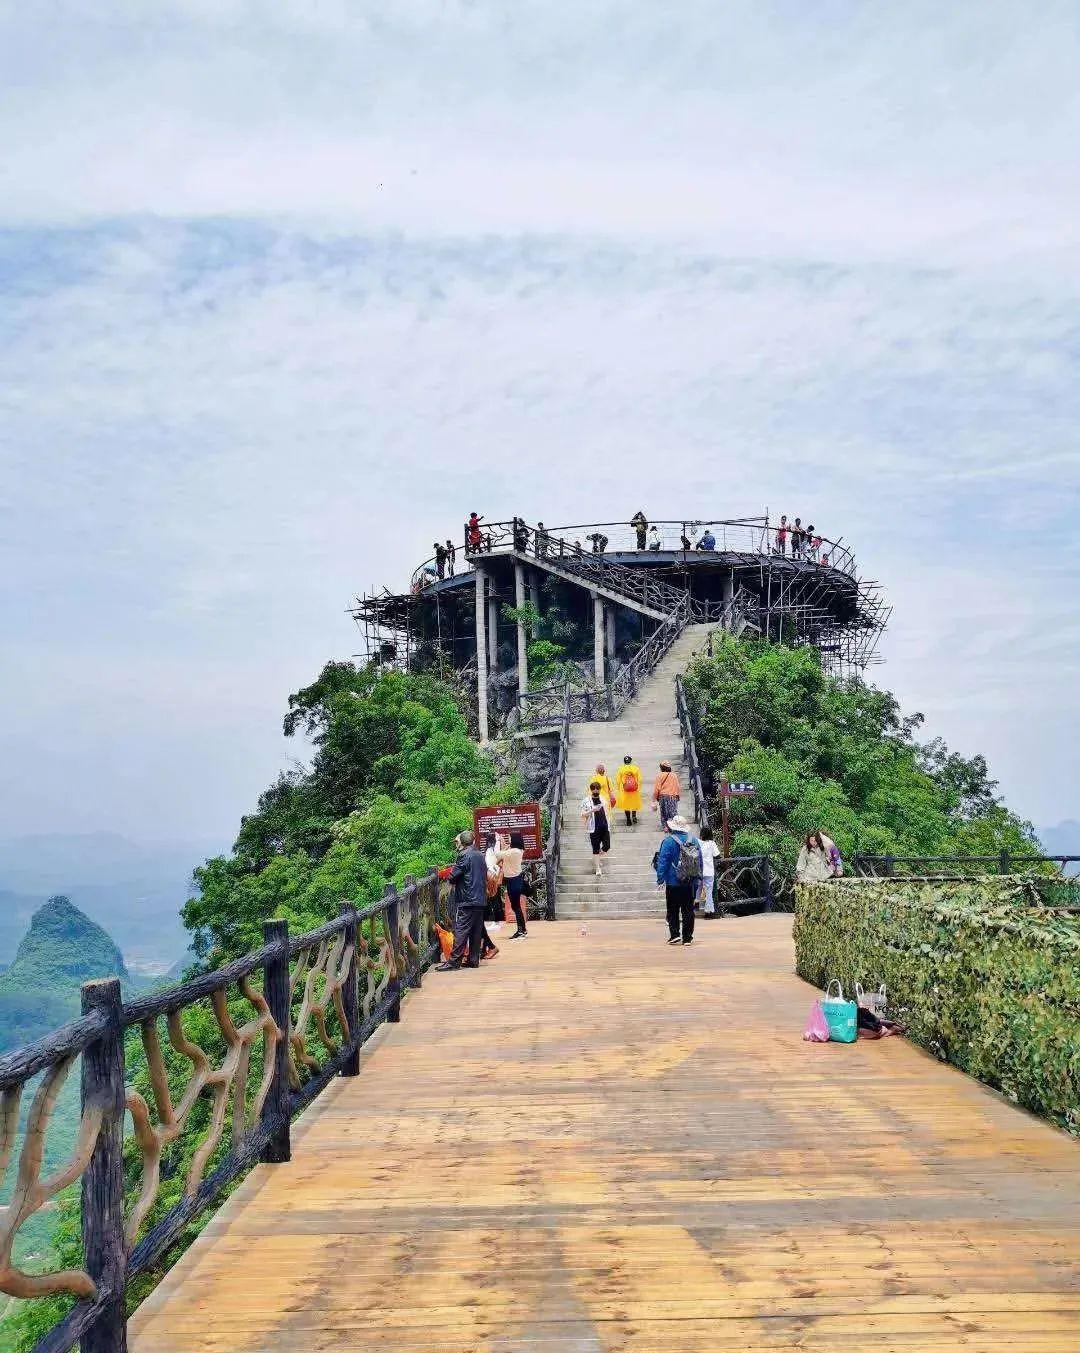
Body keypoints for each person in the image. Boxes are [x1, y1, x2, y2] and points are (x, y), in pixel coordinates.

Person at [437, 831, 488, 969]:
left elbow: (453, 877)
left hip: (467, 898)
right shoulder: (479, 854)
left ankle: (454, 962)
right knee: (476, 931)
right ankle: (473, 960)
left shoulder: (464, 855)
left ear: (462, 843)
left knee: (461, 929)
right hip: (480, 897)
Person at [655, 815, 700, 945]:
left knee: (673, 909)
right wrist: (697, 879)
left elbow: (663, 861)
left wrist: (660, 878)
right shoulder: (694, 840)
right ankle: (687, 938)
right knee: (688, 910)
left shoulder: (668, 842)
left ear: (672, 827)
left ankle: (675, 934)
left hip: (673, 881)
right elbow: (699, 861)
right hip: (690, 881)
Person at [496, 831, 528, 938]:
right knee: (516, 906)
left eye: (510, 838)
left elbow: (497, 854)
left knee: (516, 906)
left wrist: (498, 841)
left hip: (513, 881)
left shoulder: (514, 851)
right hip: (514, 880)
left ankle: (520, 930)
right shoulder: (517, 850)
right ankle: (522, 929)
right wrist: (505, 846)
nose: (508, 839)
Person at [580, 780, 611, 876]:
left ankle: (596, 857)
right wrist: (592, 810)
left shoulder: (603, 799)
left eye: (597, 789)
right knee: (595, 848)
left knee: (607, 846)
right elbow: (582, 814)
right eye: (594, 789)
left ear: (600, 790)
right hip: (593, 828)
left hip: (605, 826)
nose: (596, 791)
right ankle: (598, 868)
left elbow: (607, 811)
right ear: (591, 790)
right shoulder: (586, 801)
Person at [697, 825, 720, 914]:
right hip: (709, 871)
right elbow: (717, 855)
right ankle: (709, 910)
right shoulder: (711, 843)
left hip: (699, 870)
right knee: (709, 891)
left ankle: (695, 905)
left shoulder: (697, 842)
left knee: (697, 889)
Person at [615, 754, 643, 826]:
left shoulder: (620, 769)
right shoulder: (636, 769)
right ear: (631, 761)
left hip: (625, 790)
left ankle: (628, 820)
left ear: (624, 762)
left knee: (626, 805)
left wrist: (618, 788)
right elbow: (640, 779)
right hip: (634, 790)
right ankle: (634, 816)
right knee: (634, 804)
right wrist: (638, 787)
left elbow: (618, 780)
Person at [652, 761, 681, 830]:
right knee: (673, 811)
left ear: (661, 768)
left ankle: (665, 827)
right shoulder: (674, 775)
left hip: (663, 796)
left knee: (664, 812)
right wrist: (678, 796)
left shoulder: (659, 776)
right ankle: (674, 826)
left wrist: (654, 799)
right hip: (672, 796)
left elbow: (657, 789)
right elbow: (677, 786)